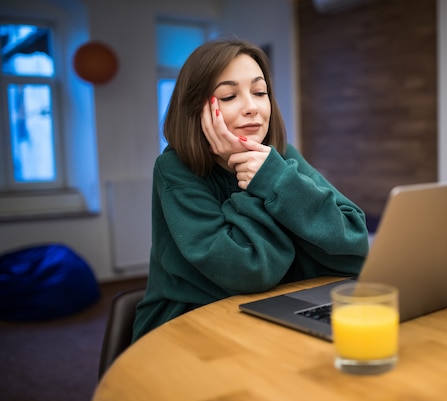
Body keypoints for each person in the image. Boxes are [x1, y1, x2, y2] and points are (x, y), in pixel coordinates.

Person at [132, 38, 370, 342]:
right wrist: (258, 182)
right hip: (187, 323)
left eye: (260, 92)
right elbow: (250, 269)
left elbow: (353, 242)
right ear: (197, 110)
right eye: (229, 96)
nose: (252, 107)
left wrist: (272, 176)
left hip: (275, 308)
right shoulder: (174, 169)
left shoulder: (280, 158)